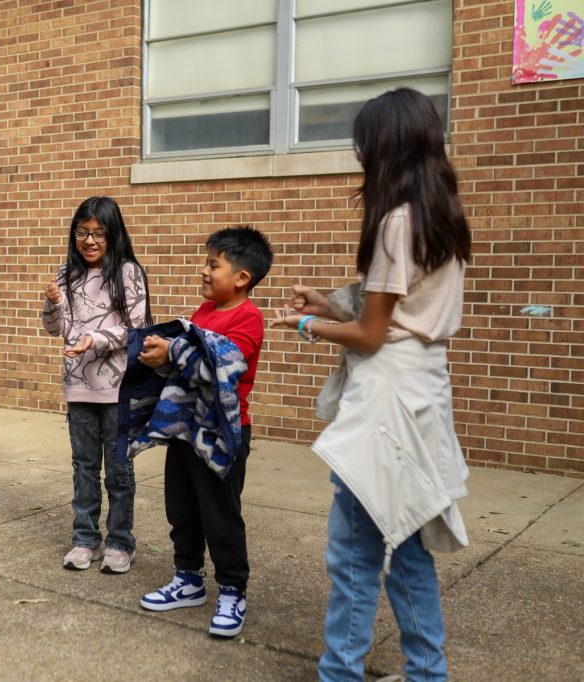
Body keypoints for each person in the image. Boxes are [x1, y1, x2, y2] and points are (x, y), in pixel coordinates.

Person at [270, 87, 472, 681]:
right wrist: (331, 302)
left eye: (364, 144)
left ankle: (340, 672)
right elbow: (402, 311)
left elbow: (372, 334)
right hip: (422, 393)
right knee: (406, 541)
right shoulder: (441, 218)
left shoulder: (395, 221)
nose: (360, 154)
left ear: (386, 146)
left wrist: (305, 324)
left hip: (384, 405)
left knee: (354, 551)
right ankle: (426, 672)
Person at [135, 226, 273, 638]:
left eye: (214, 265)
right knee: (182, 507)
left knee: (221, 515)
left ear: (242, 277)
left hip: (223, 435)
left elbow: (224, 366)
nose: (204, 271)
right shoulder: (204, 311)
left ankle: (232, 590)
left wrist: (174, 350)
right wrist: (160, 356)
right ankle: (188, 579)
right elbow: (188, 365)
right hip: (187, 428)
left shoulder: (248, 318)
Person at [42, 196, 153, 573]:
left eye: (99, 233)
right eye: (82, 232)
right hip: (78, 386)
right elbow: (56, 328)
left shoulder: (128, 272)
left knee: (119, 470)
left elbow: (134, 329)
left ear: (113, 235)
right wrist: (53, 304)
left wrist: (95, 339)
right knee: (84, 468)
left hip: (119, 388)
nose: (89, 241)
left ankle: (121, 542)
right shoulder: (66, 274)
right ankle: (84, 539)